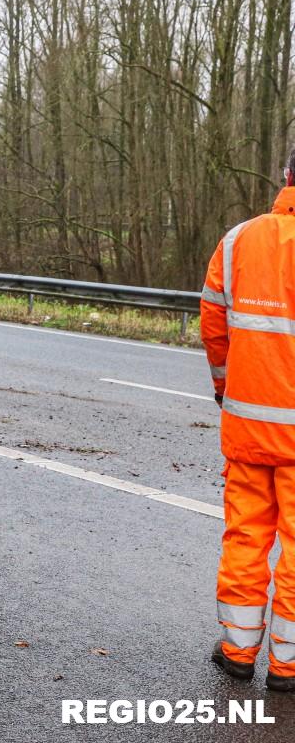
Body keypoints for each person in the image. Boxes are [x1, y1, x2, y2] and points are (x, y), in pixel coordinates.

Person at [201, 149, 295, 691]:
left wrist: (224, 387)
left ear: (287, 175)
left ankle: (238, 651)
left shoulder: (238, 241)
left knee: (245, 537)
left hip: (248, 429)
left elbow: (213, 325)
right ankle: (287, 664)